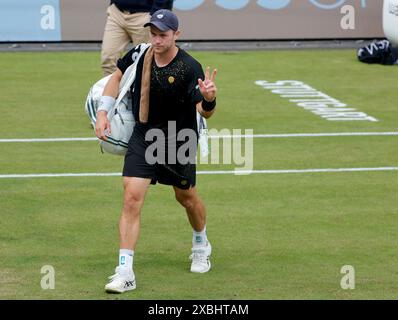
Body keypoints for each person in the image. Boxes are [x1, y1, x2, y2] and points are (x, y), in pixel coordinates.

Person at [95, 9, 218, 293]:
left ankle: (201, 242)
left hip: (179, 139)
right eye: (153, 33)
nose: (157, 39)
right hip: (144, 134)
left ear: (177, 34)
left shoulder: (189, 67)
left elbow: (204, 111)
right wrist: (103, 112)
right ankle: (125, 271)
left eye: (163, 34)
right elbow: (116, 77)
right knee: (131, 199)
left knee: (186, 197)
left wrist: (210, 99)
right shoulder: (139, 53)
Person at [101, 0, 173, 76]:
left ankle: (144, 88)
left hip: (144, 15)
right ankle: (111, 87)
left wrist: (155, 15)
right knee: (108, 59)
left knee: (147, 63)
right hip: (117, 12)